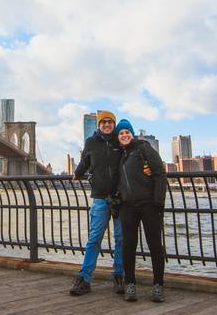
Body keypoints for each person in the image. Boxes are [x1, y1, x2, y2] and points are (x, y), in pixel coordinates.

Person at [69, 110, 125, 296]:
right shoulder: (91, 142)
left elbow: (135, 155)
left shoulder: (120, 141)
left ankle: (119, 276)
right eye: (104, 122)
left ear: (114, 124)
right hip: (100, 198)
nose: (107, 125)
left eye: (110, 122)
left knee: (121, 239)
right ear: (99, 125)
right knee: (94, 240)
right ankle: (84, 278)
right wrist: (76, 173)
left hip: (120, 198)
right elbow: (85, 161)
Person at [114, 119, 167, 303]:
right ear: (118, 137)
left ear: (132, 133)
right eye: (121, 133)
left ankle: (158, 286)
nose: (124, 135)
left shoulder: (143, 148)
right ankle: (130, 285)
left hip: (149, 204)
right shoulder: (119, 155)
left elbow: (160, 174)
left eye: (127, 132)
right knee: (128, 246)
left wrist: (158, 201)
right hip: (127, 206)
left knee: (155, 246)